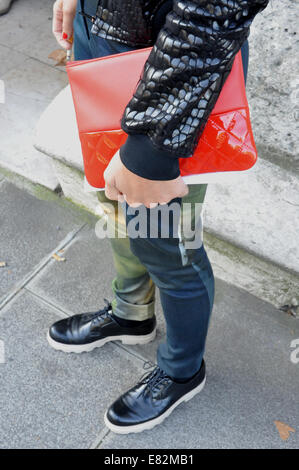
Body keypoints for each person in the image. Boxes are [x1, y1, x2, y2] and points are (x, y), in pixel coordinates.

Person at [49, 0, 269, 434]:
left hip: (175, 76)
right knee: (116, 206)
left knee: (166, 239)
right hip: (104, 37)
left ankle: (183, 369)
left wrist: (154, 144)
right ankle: (131, 313)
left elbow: (215, 10)